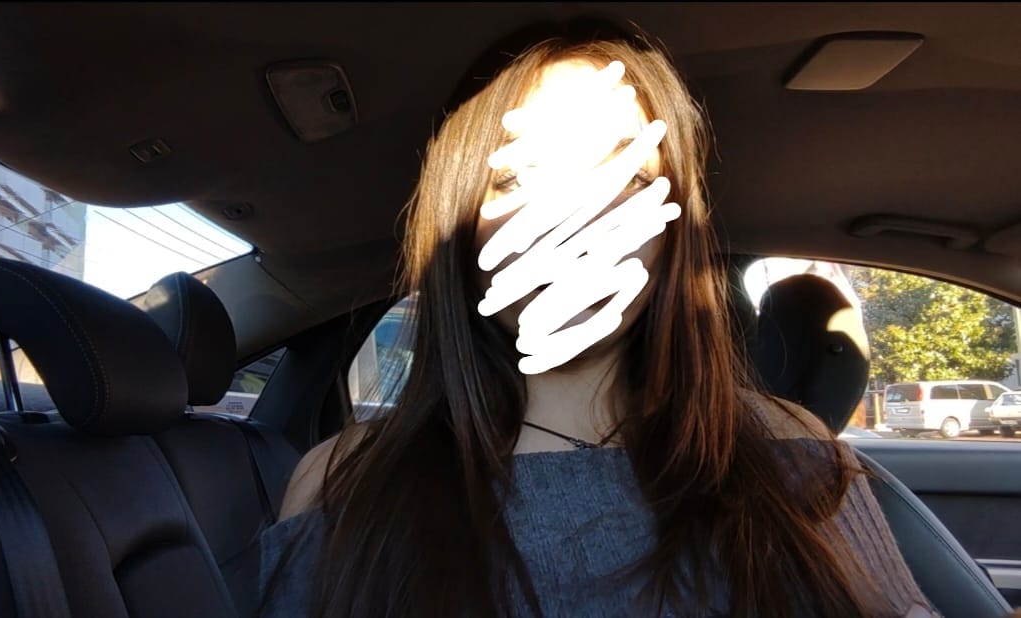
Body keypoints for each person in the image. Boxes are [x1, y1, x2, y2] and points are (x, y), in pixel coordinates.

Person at [259, 18, 936, 618]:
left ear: (674, 235)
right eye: (519, 178)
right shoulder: (342, 483)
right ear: (458, 225)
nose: (573, 221)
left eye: (628, 180)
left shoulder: (785, 447)